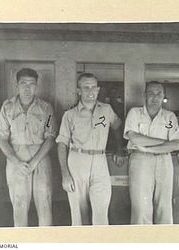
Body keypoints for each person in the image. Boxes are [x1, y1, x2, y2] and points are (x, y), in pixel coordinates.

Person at [56, 73, 125, 226]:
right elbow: (62, 144)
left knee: (101, 211)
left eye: (93, 87)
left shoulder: (106, 110)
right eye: (86, 87)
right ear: (78, 91)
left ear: (98, 89)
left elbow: (117, 127)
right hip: (77, 161)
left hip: (100, 161)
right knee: (79, 213)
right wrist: (65, 174)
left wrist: (120, 149)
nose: (90, 91)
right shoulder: (69, 115)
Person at [0, 68, 56, 227]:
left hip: (41, 157)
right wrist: (16, 162)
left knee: (44, 203)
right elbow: (2, 139)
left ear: (37, 86)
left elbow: (50, 138)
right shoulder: (7, 107)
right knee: (19, 204)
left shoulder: (46, 108)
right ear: (16, 85)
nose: (27, 88)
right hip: (16, 158)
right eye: (23, 84)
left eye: (32, 84)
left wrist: (35, 162)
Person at [123, 81, 179, 224]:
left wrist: (148, 147)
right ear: (144, 95)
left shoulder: (169, 116)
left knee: (164, 206)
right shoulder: (135, 113)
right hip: (140, 160)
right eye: (151, 93)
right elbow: (134, 137)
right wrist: (164, 142)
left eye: (159, 94)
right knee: (141, 207)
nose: (155, 97)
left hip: (164, 161)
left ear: (163, 96)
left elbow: (176, 144)